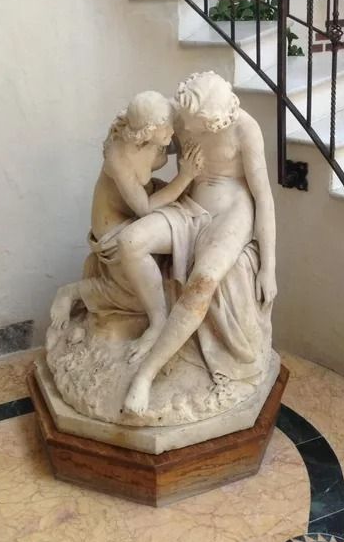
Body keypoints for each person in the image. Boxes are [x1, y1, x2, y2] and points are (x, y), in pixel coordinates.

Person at [119, 71, 277, 415]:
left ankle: (146, 376)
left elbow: (264, 198)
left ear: (215, 123)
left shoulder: (245, 130)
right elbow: (138, 151)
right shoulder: (181, 115)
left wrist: (269, 268)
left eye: (193, 126)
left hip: (230, 216)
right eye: (183, 122)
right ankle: (158, 320)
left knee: (203, 282)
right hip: (187, 203)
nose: (184, 130)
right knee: (130, 242)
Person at [49, 90, 202, 362]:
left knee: (160, 284)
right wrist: (184, 177)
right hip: (114, 229)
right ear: (149, 130)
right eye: (167, 126)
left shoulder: (157, 137)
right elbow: (144, 207)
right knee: (141, 299)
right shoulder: (118, 157)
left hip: (137, 214)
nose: (172, 130)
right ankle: (73, 292)